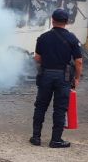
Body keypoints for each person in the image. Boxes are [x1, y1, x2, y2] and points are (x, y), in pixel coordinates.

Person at [30, 9, 83, 148]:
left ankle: (36, 137)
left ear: (52, 20)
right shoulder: (72, 38)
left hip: (46, 75)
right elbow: (79, 61)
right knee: (60, 109)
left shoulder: (43, 37)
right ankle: (56, 140)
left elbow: (37, 58)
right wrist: (77, 78)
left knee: (40, 106)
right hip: (63, 77)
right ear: (67, 22)